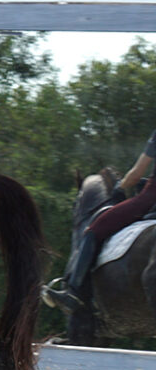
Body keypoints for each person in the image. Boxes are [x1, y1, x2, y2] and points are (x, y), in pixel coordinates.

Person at [43, 129, 156, 314]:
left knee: (95, 229)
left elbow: (136, 174)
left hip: (151, 199)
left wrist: (121, 186)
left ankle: (73, 293)